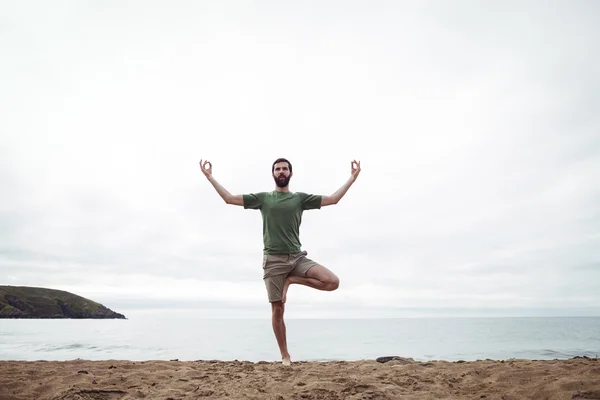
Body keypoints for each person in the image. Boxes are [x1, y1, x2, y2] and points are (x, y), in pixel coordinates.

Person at [199, 157, 361, 366]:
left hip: (296, 257)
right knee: (278, 308)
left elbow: (333, 199)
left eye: (285, 169)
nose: (281, 172)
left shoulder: (299, 199)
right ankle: (285, 356)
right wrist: (210, 177)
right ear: (273, 174)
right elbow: (229, 198)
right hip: (273, 260)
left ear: (291, 174)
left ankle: (291, 280)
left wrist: (352, 179)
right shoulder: (264, 198)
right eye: (278, 169)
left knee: (332, 282)